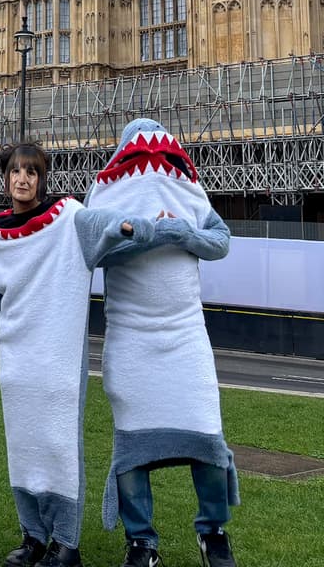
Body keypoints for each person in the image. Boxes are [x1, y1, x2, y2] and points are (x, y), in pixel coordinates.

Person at [0, 142, 150, 567]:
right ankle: (33, 537)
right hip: (17, 360)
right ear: (5, 178)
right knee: (23, 449)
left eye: (31, 172)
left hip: (58, 358)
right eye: (15, 171)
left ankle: (67, 542)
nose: (22, 179)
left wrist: (135, 226)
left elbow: (105, 226)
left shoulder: (68, 218)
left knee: (59, 448)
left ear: (42, 179)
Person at [83, 118, 238, 567]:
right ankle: (142, 542)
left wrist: (182, 233)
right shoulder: (105, 196)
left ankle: (213, 532)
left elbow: (219, 240)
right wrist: (145, 233)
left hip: (186, 336)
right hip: (131, 338)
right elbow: (96, 253)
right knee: (133, 447)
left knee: (207, 437)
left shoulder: (190, 192)